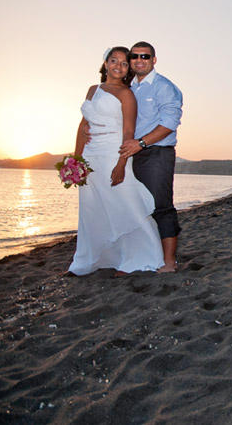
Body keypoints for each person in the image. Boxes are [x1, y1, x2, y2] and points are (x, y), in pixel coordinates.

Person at [68, 47, 164, 275]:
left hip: (113, 153)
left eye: (123, 63)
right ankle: (88, 261)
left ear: (127, 68)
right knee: (92, 208)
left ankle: (145, 255)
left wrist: (121, 164)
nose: (118, 66)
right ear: (105, 63)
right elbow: (83, 125)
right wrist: (76, 160)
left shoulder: (126, 94)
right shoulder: (93, 89)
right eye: (114, 61)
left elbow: (128, 130)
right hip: (91, 154)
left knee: (126, 204)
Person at [119, 41, 183, 273]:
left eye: (144, 56)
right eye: (134, 56)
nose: (139, 60)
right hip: (131, 154)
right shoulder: (130, 88)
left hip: (157, 154)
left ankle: (169, 262)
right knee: (135, 207)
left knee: (161, 206)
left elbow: (169, 122)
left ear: (153, 60)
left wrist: (141, 143)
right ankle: (141, 257)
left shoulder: (164, 87)